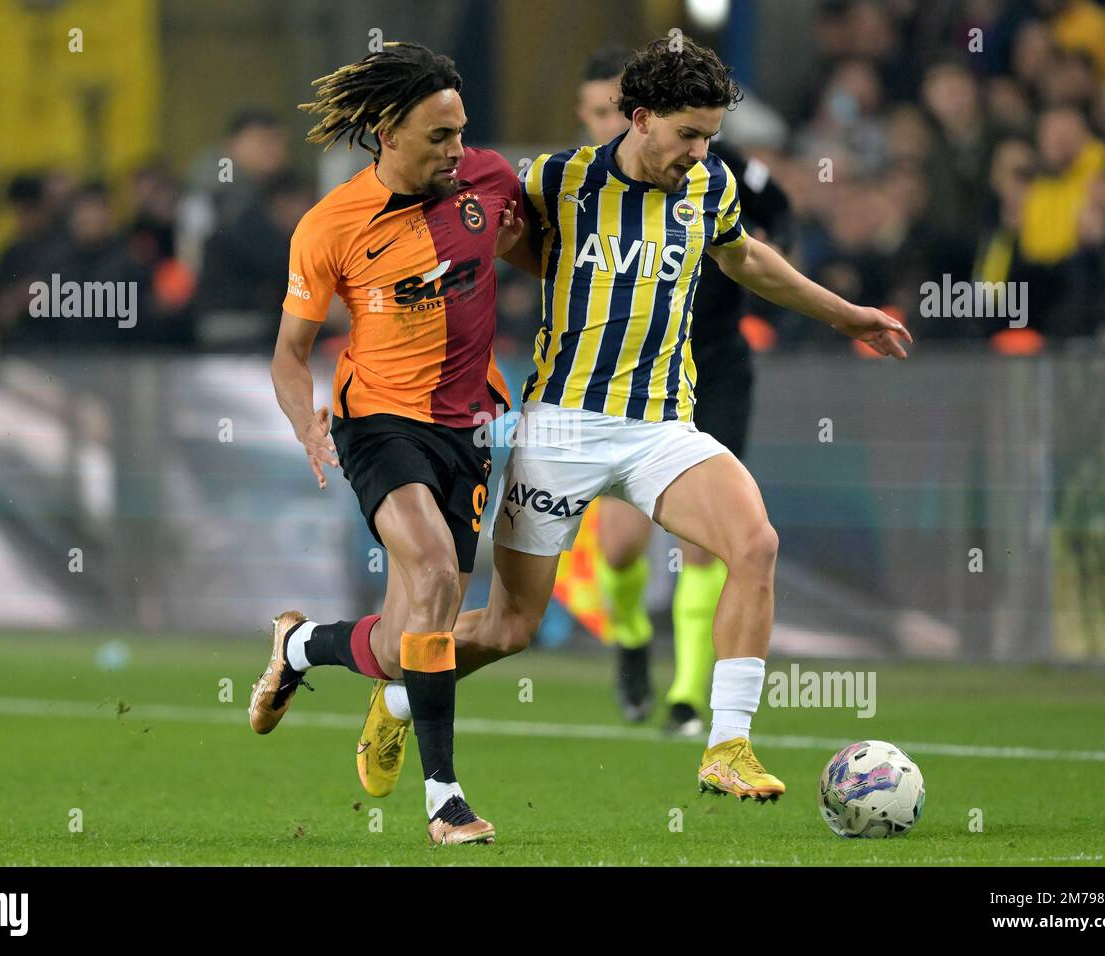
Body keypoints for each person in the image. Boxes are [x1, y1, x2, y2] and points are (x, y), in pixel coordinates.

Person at [343, 35, 911, 811]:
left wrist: (848, 316)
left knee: (755, 544)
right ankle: (402, 698)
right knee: (510, 628)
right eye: (688, 134)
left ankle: (727, 745)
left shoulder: (708, 186)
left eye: (710, 135)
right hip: (563, 429)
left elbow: (744, 259)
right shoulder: (556, 180)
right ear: (640, 119)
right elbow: (485, 241)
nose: (700, 151)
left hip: (661, 428)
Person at [246, 42, 522, 846]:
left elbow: (531, 249)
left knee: (411, 646)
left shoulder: (489, 180)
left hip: (469, 426)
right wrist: (307, 421)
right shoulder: (329, 225)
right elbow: (290, 352)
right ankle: (446, 800)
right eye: (439, 136)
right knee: (437, 570)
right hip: (378, 423)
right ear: (386, 133)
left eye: (461, 132)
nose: (456, 150)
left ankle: (299, 644)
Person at [570, 45, 794, 736]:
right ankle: (632, 638)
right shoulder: (575, 183)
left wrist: (755, 289)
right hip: (626, 381)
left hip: (713, 368)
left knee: (714, 543)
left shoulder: (714, 176)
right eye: (601, 112)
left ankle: (689, 698)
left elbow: (775, 208)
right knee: (619, 549)